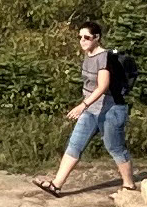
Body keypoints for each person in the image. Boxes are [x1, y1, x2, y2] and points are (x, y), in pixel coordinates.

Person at [43, 21, 135, 196]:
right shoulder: (88, 55)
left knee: (115, 147)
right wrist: (85, 106)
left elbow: (102, 86)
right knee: (75, 144)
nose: (82, 41)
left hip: (111, 110)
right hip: (91, 110)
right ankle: (56, 185)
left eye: (87, 37)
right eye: (80, 37)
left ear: (97, 38)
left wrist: (82, 105)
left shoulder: (104, 58)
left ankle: (129, 185)